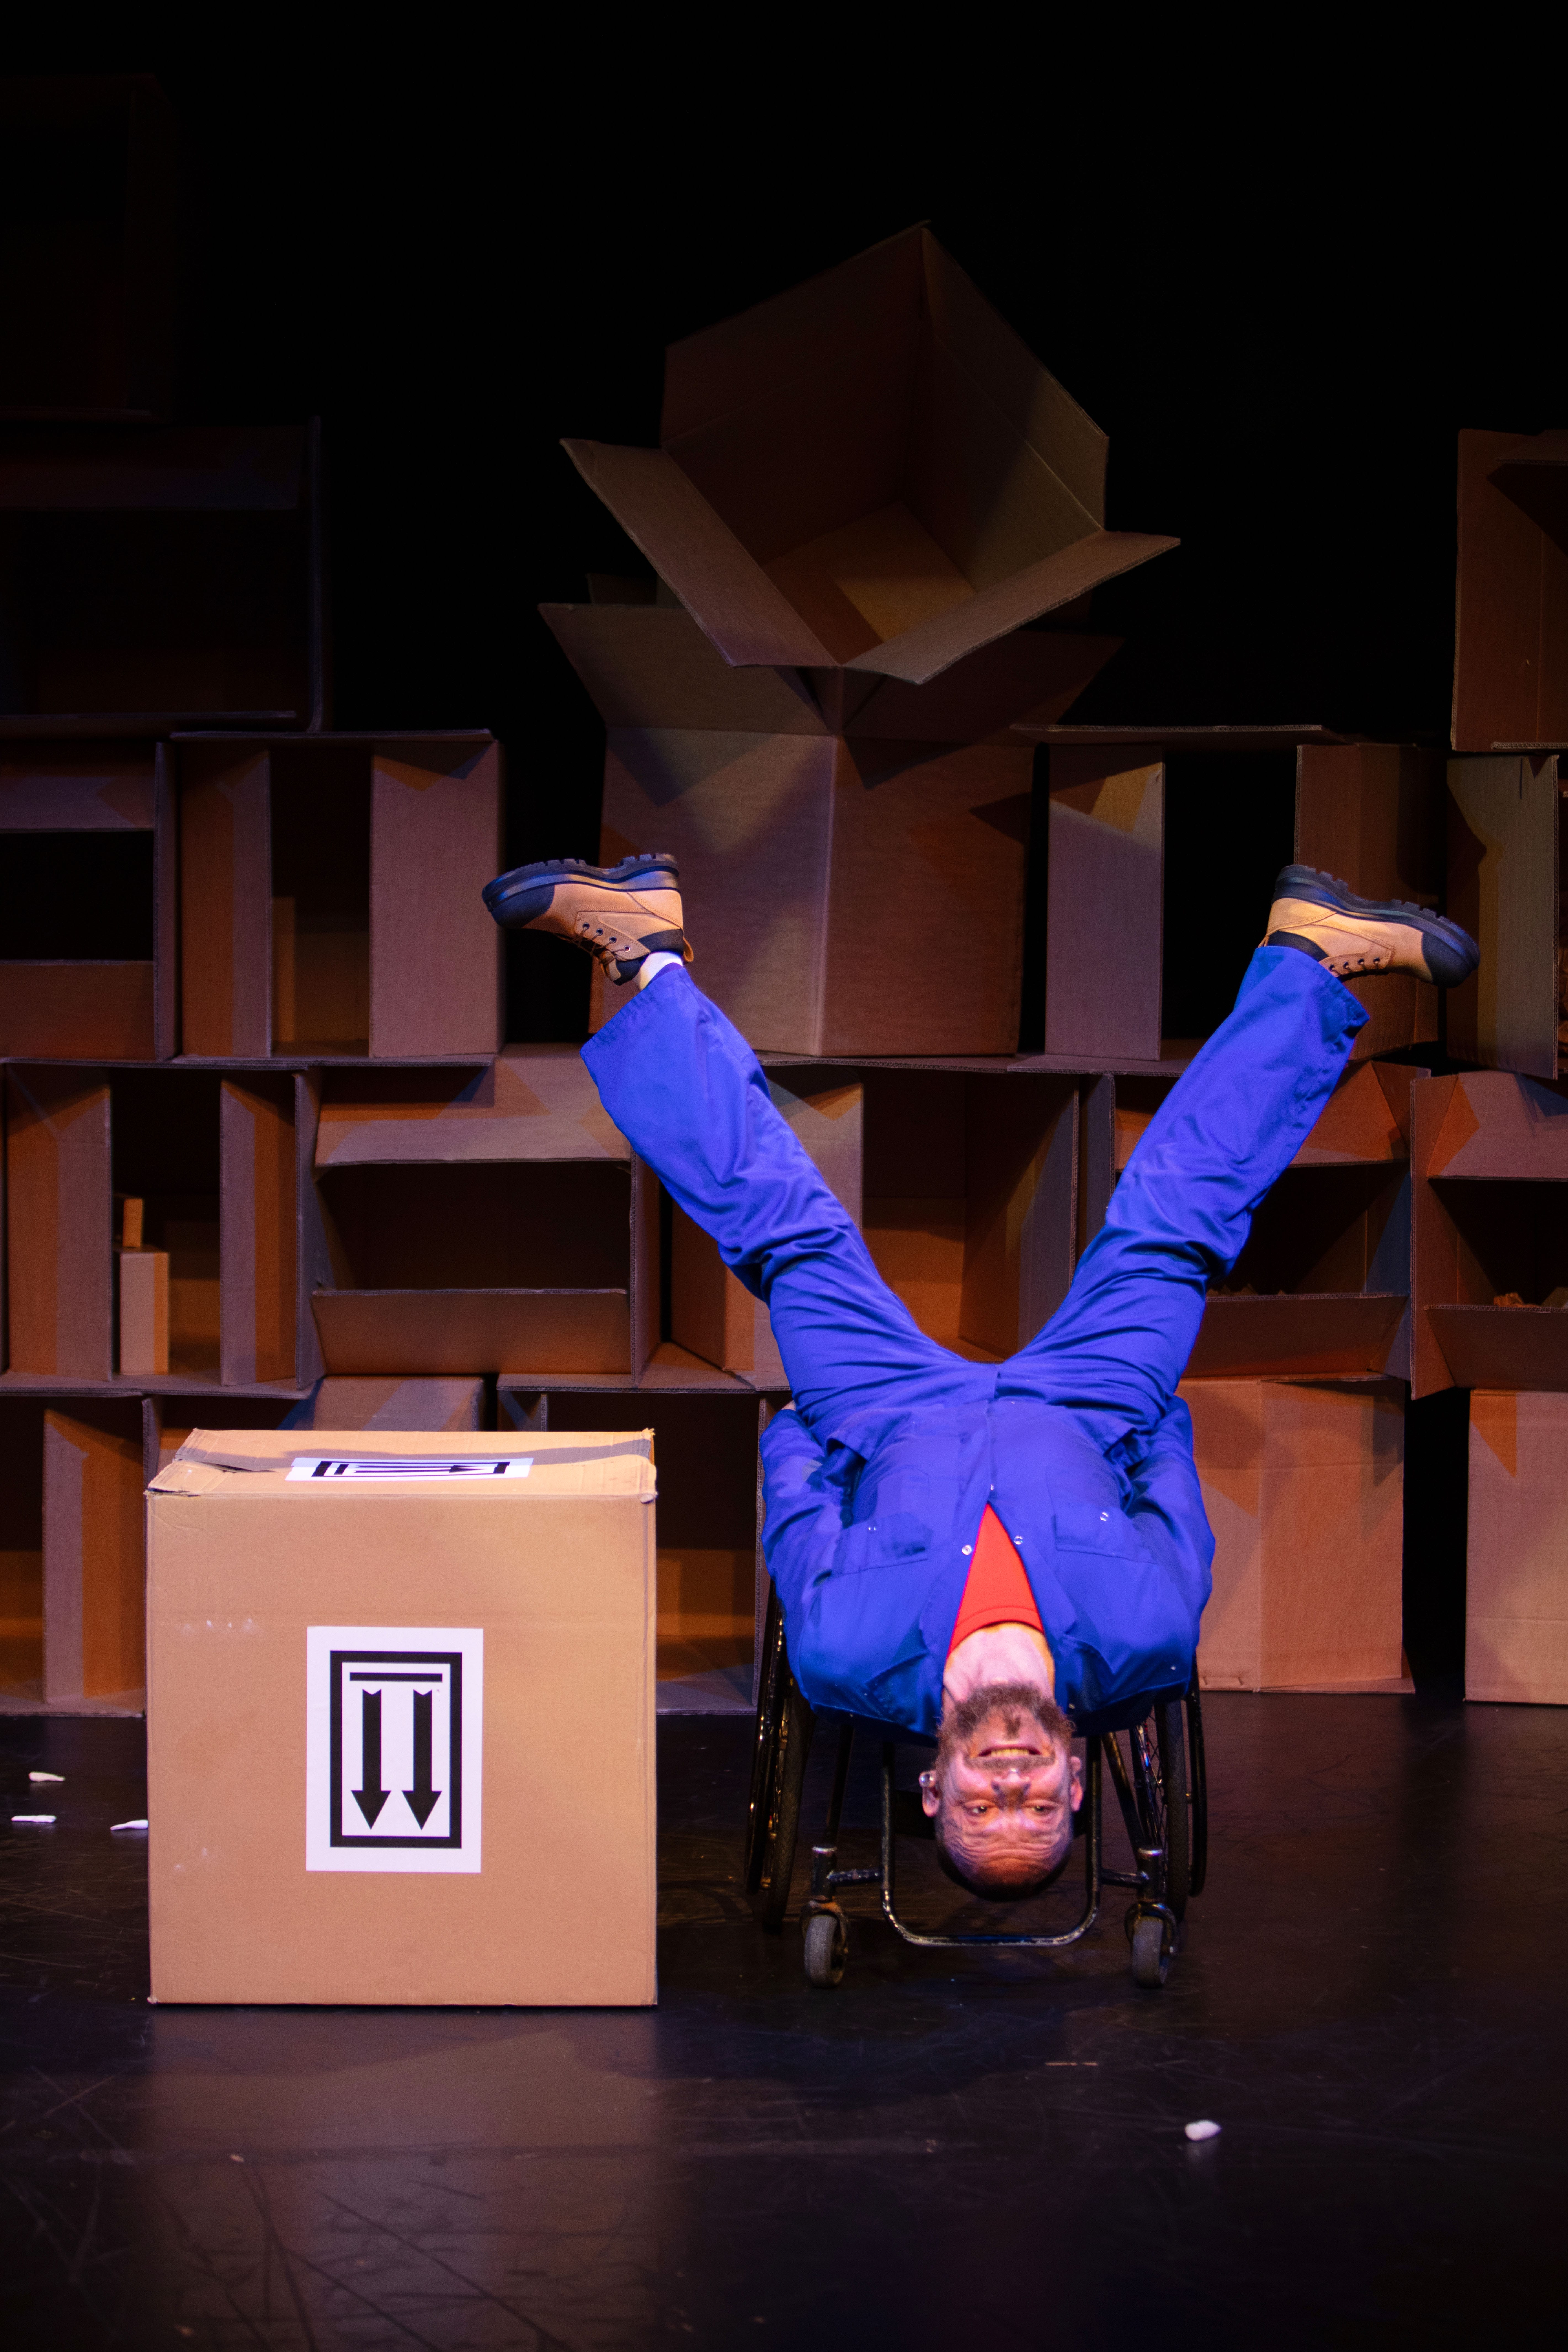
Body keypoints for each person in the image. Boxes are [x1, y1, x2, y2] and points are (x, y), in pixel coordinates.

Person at [484, 853, 1478, 1900]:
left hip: (887, 1410)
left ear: (933, 1786)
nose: (1011, 1780)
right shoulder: (1147, 1638)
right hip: (1081, 1409)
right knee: (1177, 1225)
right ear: (1075, 1781)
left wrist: (834, 1426)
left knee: (782, 1227)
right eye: (1038, 1805)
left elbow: (794, 1492)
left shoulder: (845, 1654)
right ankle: (1308, 958)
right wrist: (1121, 1409)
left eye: (982, 1803)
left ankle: (643, 954)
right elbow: (1169, 1479)